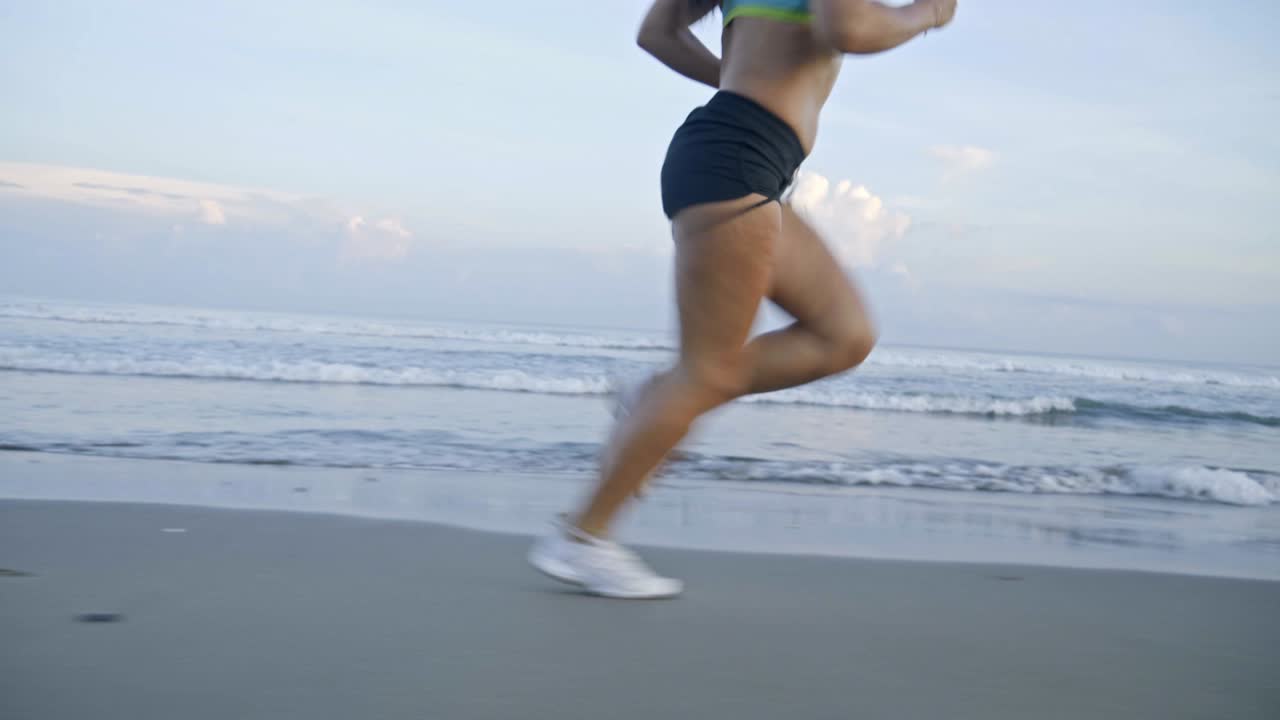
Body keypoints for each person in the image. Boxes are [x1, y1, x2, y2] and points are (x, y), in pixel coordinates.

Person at [529, 0, 957, 598]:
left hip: (746, 156)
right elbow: (849, 27)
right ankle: (583, 538)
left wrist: (734, 79)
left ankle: (659, 396)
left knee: (844, 335)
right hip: (738, 160)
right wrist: (927, 14)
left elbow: (658, 33)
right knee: (709, 371)